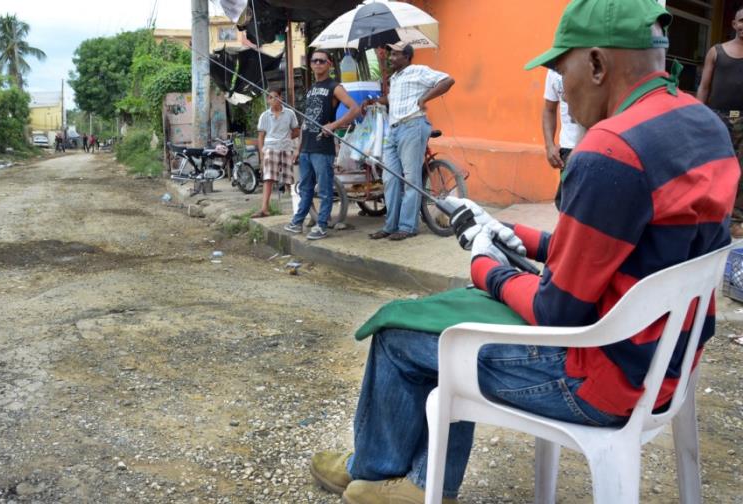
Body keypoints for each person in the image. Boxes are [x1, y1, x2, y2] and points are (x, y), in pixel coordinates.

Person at [309, 1, 740, 503]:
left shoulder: (610, 150)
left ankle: (390, 475)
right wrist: (511, 232)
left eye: (561, 69)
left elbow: (557, 310)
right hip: (664, 366)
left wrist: (486, 266)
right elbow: (615, 252)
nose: (560, 88)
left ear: (597, 64)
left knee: (404, 335)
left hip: (599, 380)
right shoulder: (703, 125)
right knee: (447, 321)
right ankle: (408, 473)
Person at [365, 41, 455, 241]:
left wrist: (425, 99)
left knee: (410, 178)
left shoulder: (418, 70)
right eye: (391, 55)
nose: (391, 58)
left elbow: (448, 80)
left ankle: (408, 226)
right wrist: (375, 101)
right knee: (390, 178)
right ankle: (391, 226)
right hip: (395, 129)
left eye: (396, 54)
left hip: (412, 125)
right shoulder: (396, 77)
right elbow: (393, 99)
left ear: (407, 56)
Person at [284, 49, 360, 240]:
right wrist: (298, 147)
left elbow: (355, 109)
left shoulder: (335, 87)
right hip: (307, 147)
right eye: (314, 61)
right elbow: (305, 122)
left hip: (322, 147)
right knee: (305, 189)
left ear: (329, 65)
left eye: (322, 61)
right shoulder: (310, 90)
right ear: (310, 64)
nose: (318, 64)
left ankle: (322, 225)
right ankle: (297, 221)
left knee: (325, 190)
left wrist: (333, 126)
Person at [697, 5, 743, 237]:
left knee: (741, 171)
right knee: (714, 167)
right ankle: (708, 217)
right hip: (716, 118)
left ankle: (735, 220)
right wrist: (697, 117)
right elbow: (704, 87)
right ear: (734, 24)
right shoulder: (717, 51)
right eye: (741, 21)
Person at [252, 88, 300, 218]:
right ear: (268, 100)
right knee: (268, 178)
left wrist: (288, 137)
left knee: (291, 178)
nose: (274, 100)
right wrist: (262, 156)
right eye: (271, 97)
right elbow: (261, 136)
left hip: (286, 147)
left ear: (281, 98)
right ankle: (264, 208)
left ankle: (298, 208)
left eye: (276, 97)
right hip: (270, 148)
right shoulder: (264, 116)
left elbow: (297, 130)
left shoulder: (289, 113)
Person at [542, 68, 586, 209]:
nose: (566, 98)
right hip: (567, 148)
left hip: (593, 145)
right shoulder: (553, 72)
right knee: (566, 203)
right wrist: (549, 146)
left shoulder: (593, 63)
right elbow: (549, 109)